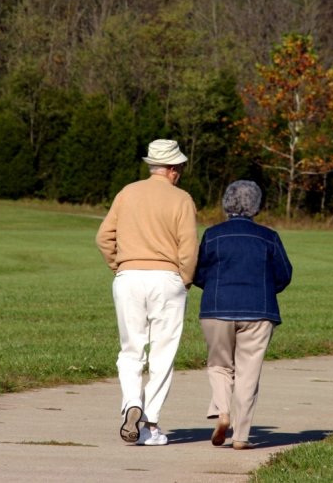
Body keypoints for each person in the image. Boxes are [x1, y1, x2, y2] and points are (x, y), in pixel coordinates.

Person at [96, 139, 198, 446]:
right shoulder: (182, 199)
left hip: (128, 277)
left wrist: (120, 266)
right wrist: (185, 278)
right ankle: (150, 422)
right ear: (172, 170)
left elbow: (103, 238)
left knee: (131, 350)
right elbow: (189, 248)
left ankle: (131, 404)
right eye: (179, 167)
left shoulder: (127, 193)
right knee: (162, 353)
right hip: (166, 279)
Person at [193, 180, 292, 450]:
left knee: (219, 365)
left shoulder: (212, 235)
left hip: (217, 309)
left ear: (226, 203)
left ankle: (223, 411)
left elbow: (199, 273)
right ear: (256, 206)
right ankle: (241, 436)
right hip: (259, 311)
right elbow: (284, 275)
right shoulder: (269, 237)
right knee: (248, 373)